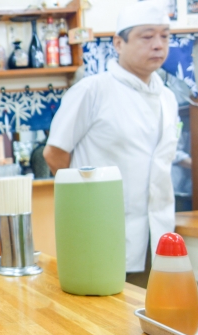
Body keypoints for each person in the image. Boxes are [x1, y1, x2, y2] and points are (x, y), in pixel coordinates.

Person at [43, 0, 179, 284]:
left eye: (165, 36)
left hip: (157, 236)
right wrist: (87, 204)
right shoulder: (92, 90)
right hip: (102, 235)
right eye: (147, 36)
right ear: (118, 43)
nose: (158, 45)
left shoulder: (167, 97)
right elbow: (54, 153)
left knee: (155, 309)